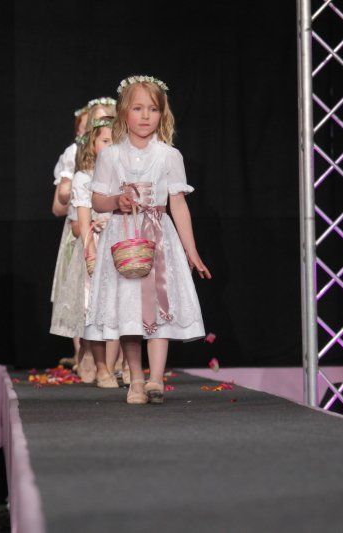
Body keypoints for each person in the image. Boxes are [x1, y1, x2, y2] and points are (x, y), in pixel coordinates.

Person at [86, 75, 211, 405]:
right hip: (124, 236)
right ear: (124, 113)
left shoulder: (169, 155)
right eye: (138, 108)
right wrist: (117, 201)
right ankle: (137, 379)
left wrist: (191, 250)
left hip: (159, 237)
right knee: (129, 309)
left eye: (153, 109)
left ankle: (156, 378)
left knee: (158, 306)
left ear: (162, 114)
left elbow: (178, 203)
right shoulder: (111, 156)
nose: (145, 116)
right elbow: (97, 200)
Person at [50, 98, 116, 380]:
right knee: (84, 293)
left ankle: (117, 359)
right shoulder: (75, 156)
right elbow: (59, 205)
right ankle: (86, 352)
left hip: (114, 235)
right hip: (83, 227)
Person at [70, 116, 124, 388]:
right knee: (95, 306)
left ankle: (123, 364)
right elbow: (82, 222)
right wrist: (90, 252)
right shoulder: (84, 177)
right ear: (92, 144)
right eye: (105, 141)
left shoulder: (124, 174)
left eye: (116, 141)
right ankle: (101, 366)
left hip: (121, 245)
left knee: (123, 305)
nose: (111, 146)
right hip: (98, 246)